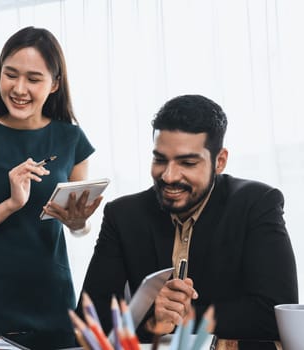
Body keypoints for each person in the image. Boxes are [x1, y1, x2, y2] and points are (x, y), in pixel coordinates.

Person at [78, 94, 298, 349]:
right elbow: (86, 321)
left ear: (220, 161)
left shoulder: (257, 204)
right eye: (160, 160)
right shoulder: (123, 215)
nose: (169, 176)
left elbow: (277, 314)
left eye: (188, 162)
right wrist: (152, 322)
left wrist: (183, 315)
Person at [0, 26, 102, 348]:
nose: (19, 88)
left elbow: (79, 226)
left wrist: (78, 224)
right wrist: (11, 204)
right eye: (10, 75)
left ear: (55, 84)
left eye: (33, 78)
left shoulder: (71, 140)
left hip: (54, 293)